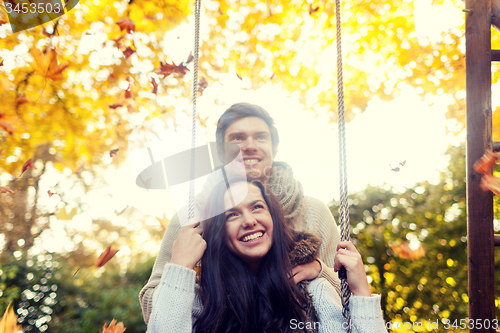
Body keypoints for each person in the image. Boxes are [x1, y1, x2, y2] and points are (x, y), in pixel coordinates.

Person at [140, 103, 343, 324]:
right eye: (237, 138)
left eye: (260, 137)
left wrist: (319, 271)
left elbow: (349, 299)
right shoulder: (192, 217)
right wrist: (182, 270)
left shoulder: (312, 211)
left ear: (274, 149)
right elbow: (152, 309)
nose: (249, 146)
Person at [147, 180, 387, 333]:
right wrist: (179, 266)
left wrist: (362, 294)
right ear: (219, 231)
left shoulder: (313, 292)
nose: (249, 221)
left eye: (257, 207)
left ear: (274, 218)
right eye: (232, 215)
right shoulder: (203, 299)